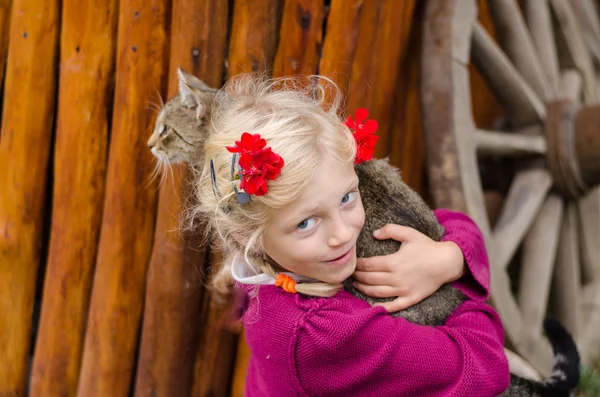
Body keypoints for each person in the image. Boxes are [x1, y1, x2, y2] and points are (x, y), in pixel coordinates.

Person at [189, 74, 509, 396]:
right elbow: (485, 364)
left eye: (346, 198)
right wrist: (462, 300)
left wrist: (448, 258)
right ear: (247, 235)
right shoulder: (320, 332)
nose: (342, 234)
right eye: (305, 224)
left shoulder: (281, 265)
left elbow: (449, 221)